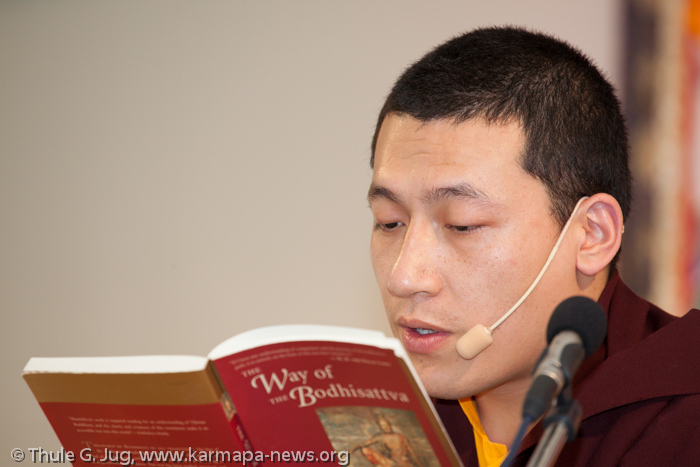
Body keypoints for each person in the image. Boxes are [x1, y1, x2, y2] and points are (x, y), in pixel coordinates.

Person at [367, 26, 700, 467]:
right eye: (389, 223)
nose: (404, 276)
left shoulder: (681, 422)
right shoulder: (374, 424)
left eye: (462, 226)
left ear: (592, 234)